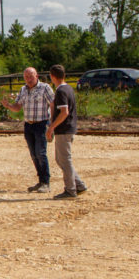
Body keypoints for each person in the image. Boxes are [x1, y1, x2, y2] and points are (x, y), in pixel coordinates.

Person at [0, 67, 54, 192]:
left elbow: (53, 104)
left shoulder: (45, 88)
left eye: (31, 76)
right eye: (26, 77)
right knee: (34, 154)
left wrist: (51, 124)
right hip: (28, 125)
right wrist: (8, 106)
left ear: (37, 76)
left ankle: (46, 182)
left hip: (41, 124)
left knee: (41, 153)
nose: (28, 79)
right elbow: (18, 107)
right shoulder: (23, 89)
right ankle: (40, 181)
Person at [46, 64, 87, 199]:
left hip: (64, 129)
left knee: (65, 160)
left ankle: (70, 190)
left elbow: (64, 112)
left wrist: (51, 127)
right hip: (67, 128)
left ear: (52, 76)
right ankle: (78, 185)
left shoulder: (61, 91)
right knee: (61, 159)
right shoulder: (68, 88)